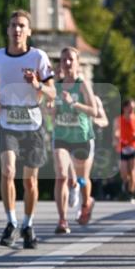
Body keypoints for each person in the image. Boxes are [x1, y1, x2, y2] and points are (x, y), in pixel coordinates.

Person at [0, 10, 55, 249]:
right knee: (7, 172)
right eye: (13, 25)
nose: (17, 30)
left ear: (29, 31)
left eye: (22, 26)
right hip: (8, 124)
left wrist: (37, 84)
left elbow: (52, 92)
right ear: (7, 30)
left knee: (30, 182)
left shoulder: (38, 57)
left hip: (33, 125)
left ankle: (28, 224)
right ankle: (11, 222)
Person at [50, 48, 97, 232]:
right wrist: (50, 107)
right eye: (64, 60)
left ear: (77, 63)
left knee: (82, 179)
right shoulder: (57, 86)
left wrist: (74, 104)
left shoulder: (82, 84)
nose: (67, 63)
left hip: (81, 136)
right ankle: (62, 220)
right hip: (61, 136)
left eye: (70, 60)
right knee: (61, 175)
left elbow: (94, 111)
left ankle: (87, 203)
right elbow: (52, 115)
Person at [113, 99, 135, 202]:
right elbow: (115, 131)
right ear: (125, 108)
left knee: (133, 171)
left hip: (134, 148)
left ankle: (131, 194)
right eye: (130, 107)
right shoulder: (118, 119)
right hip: (123, 148)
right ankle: (126, 184)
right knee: (124, 173)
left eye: (134, 107)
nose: (132, 109)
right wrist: (116, 136)